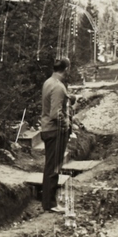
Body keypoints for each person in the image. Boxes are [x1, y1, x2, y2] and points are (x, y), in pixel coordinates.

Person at [39, 57, 73, 212]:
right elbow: (56, 114)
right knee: (54, 168)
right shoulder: (58, 87)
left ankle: (48, 201)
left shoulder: (48, 82)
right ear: (65, 69)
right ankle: (50, 204)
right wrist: (66, 125)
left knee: (50, 166)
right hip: (55, 131)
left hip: (47, 129)